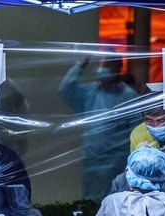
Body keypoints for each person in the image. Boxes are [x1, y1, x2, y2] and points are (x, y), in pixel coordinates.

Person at [57, 50, 141, 201]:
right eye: (101, 66)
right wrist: (81, 64)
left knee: (116, 203)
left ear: (117, 68)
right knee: (92, 203)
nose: (102, 70)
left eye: (107, 66)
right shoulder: (90, 93)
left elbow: (138, 133)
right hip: (92, 162)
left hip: (118, 164)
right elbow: (65, 89)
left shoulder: (129, 97)